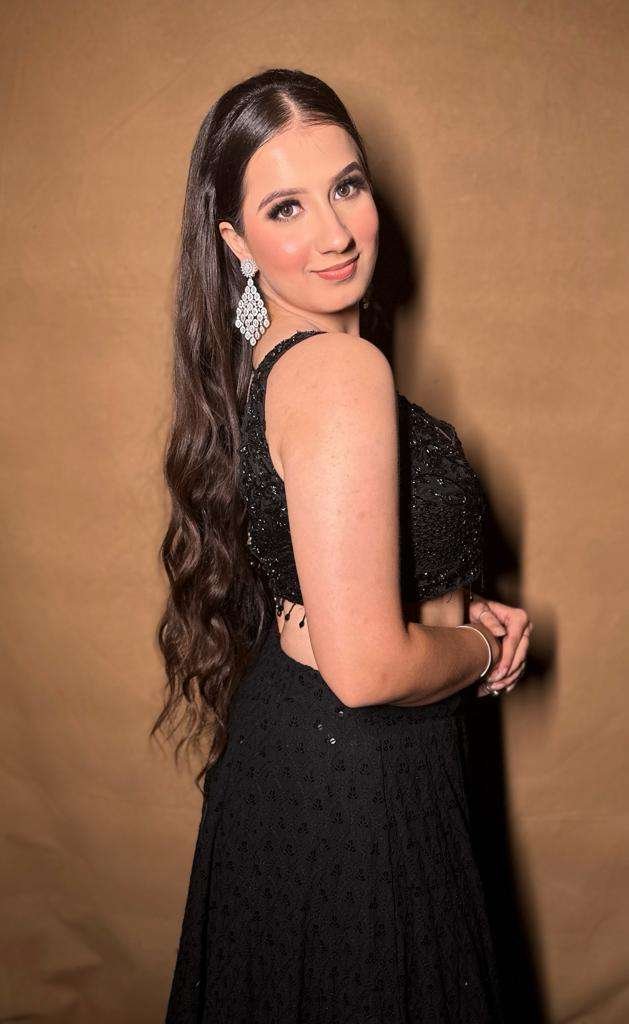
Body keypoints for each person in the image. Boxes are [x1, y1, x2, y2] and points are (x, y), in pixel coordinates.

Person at [154, 67, 533, 1024]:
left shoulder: (270, 360)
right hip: (354, 776)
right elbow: (363, 668)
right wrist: (479, 646)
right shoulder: (339, 369)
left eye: (347, 186)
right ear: (236, 243)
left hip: (311, 757)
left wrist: (442, 607)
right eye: (286, 207)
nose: (334, 232)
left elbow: (331, 580)